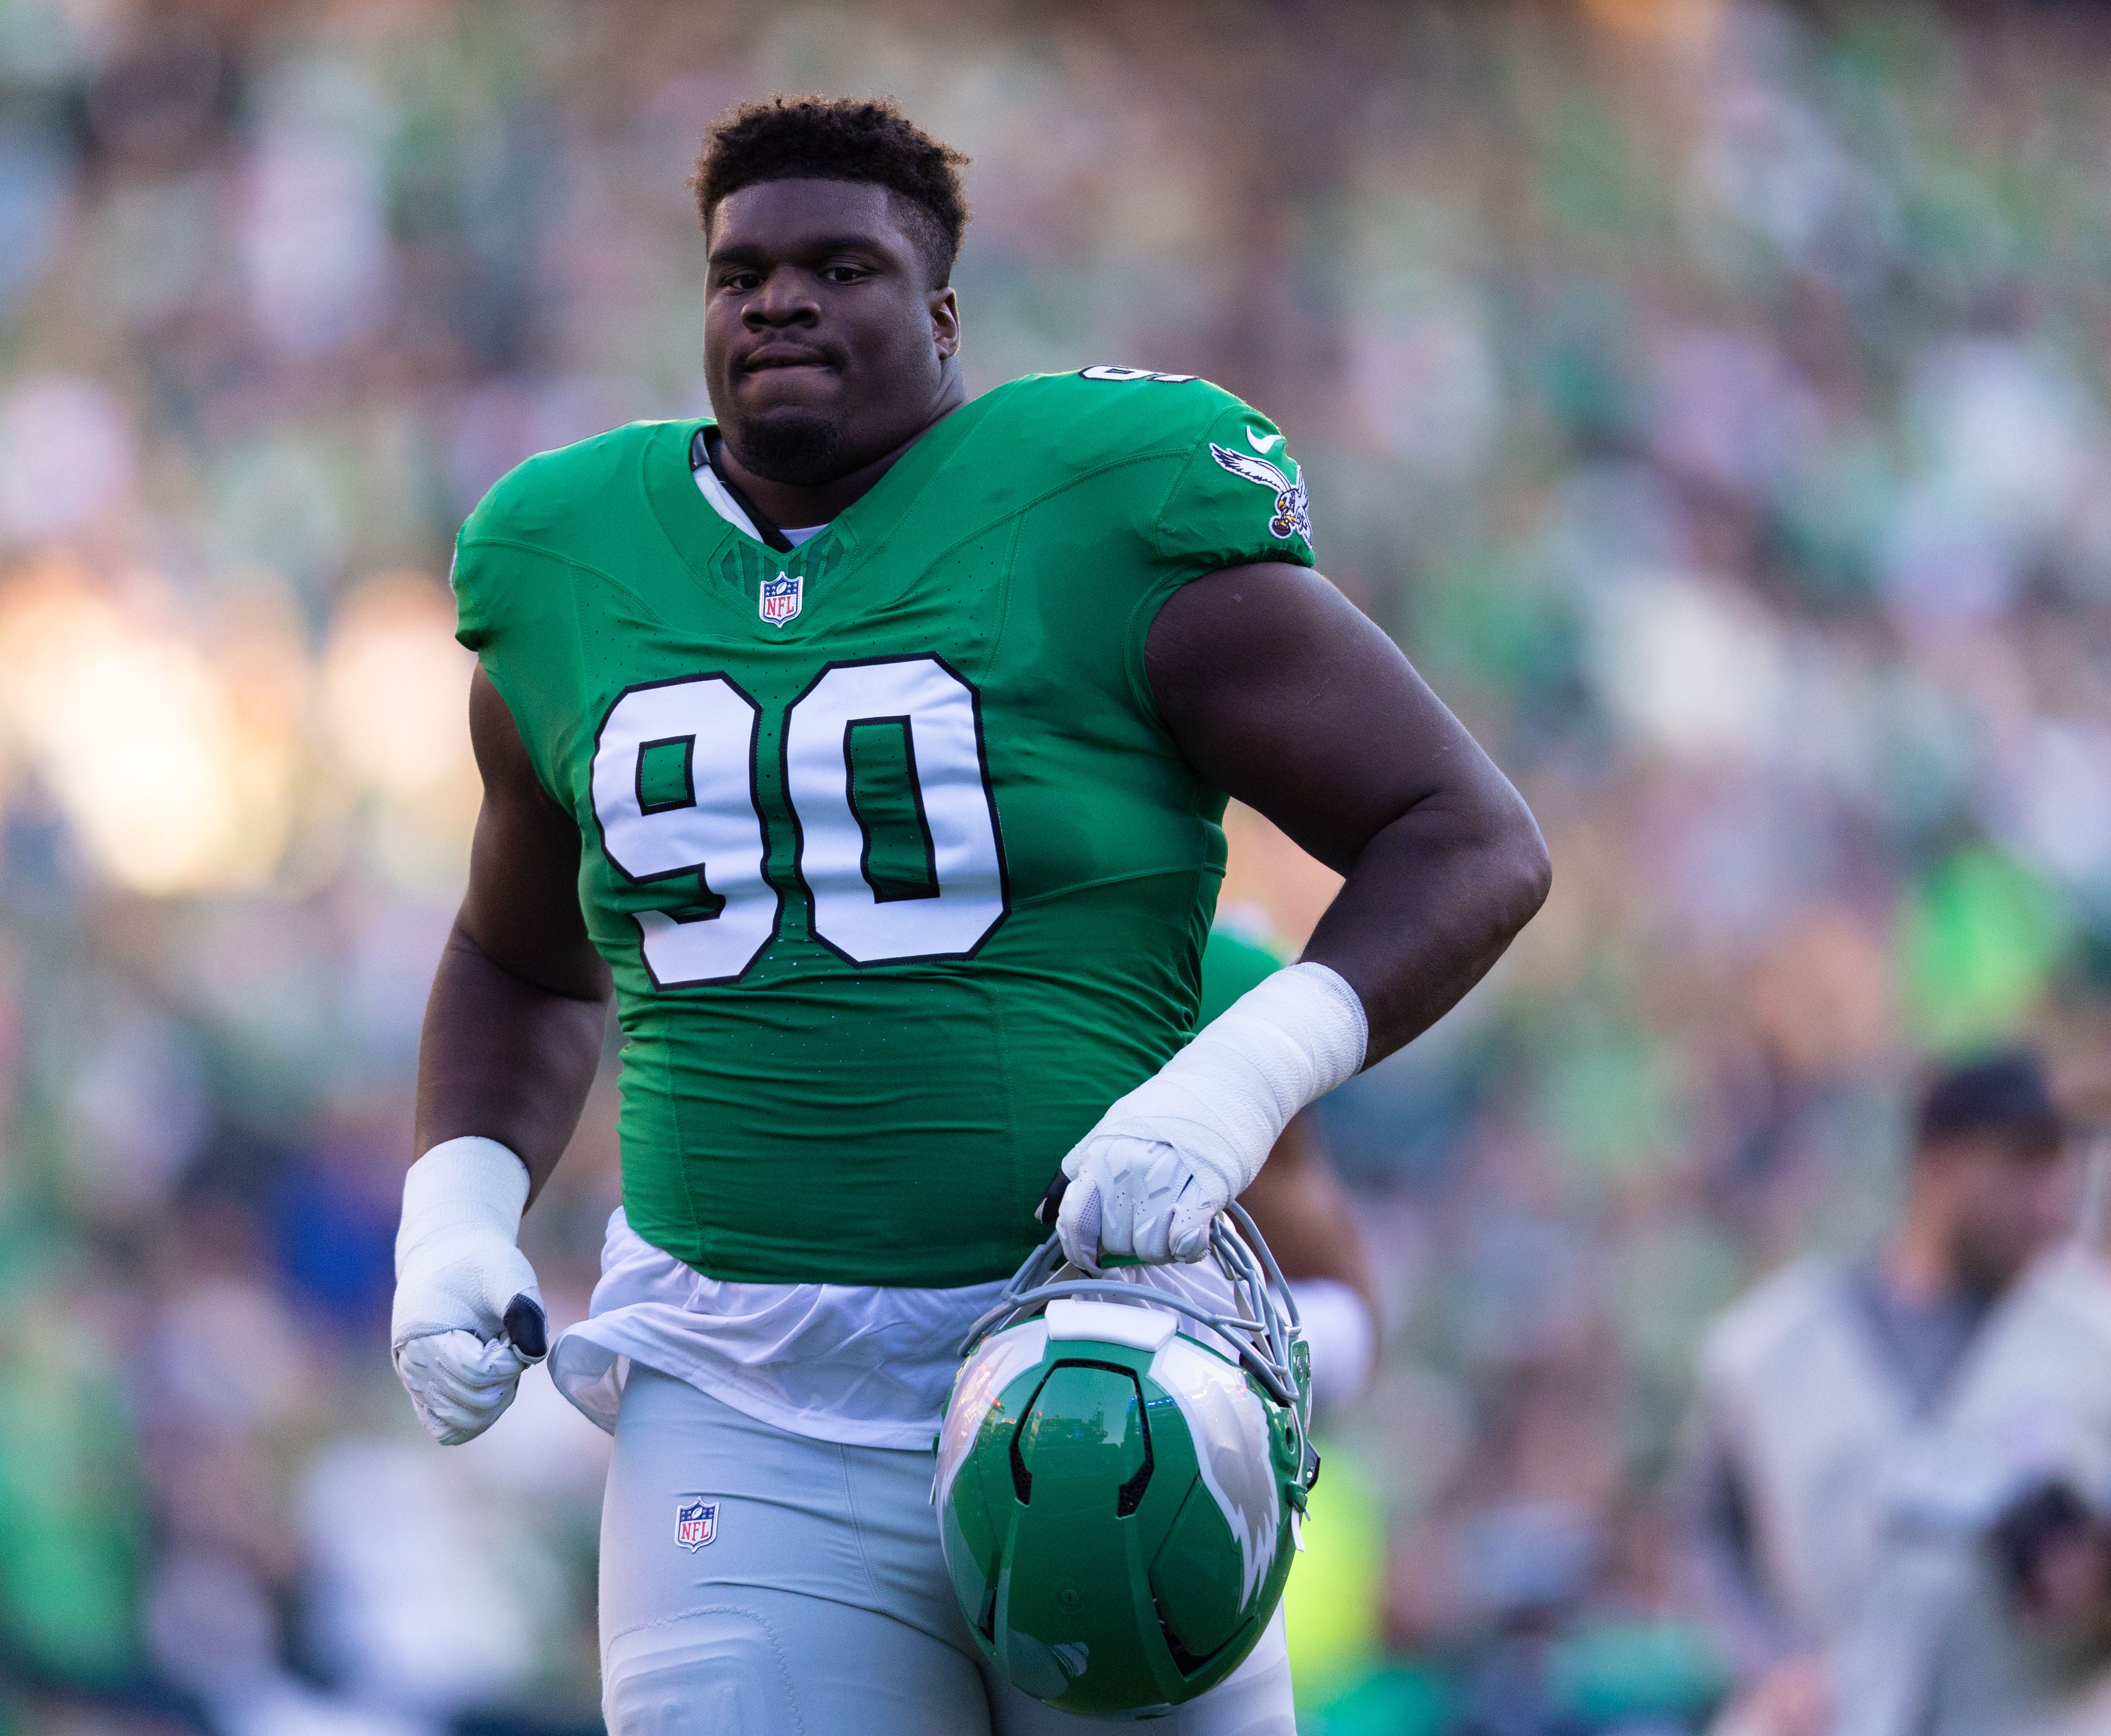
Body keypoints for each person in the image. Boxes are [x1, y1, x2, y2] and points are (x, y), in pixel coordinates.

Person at [390, 95, 1551, 1735]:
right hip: (739, 1388)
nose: (777, 301)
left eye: (837, 266)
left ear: (941, 317)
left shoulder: (1097, 506)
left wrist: (1232, 1089)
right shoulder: (567, 562)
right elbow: (519, 955)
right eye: (741, 274)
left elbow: (1467, 836)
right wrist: (454, 1212)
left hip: (1087, 1363)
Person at [1679, 1052, 2111, 1736]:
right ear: (1936, 1166)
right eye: (2023, 1162)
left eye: (2062, 1164)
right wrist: (1771, 1661)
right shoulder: (1778, 1345)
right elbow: (1706, 1528)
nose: (2056, 1194)